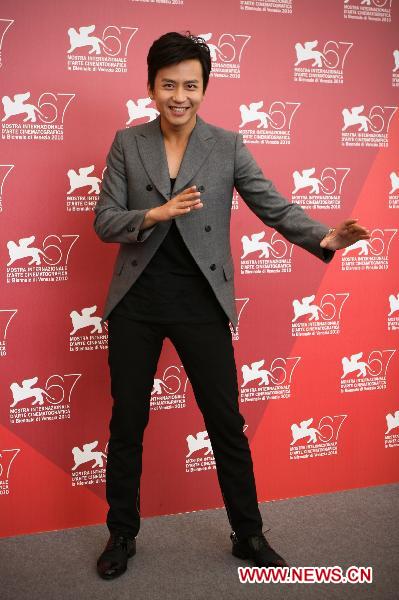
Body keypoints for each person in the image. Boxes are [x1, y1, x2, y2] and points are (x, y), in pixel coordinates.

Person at [93, 31, 370, 580]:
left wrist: (323, 238)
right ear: (151, 86)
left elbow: (272, 204)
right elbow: (105, 220)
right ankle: (121, 533)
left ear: (204, 88)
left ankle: (248, 534)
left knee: (226, 423)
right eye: (168, 84)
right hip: (137, 305)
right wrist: (153, 215)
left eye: (190, 85)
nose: (179, 95)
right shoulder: (128, 143)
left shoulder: (228, 146)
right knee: (127, 423)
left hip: (201, 304)